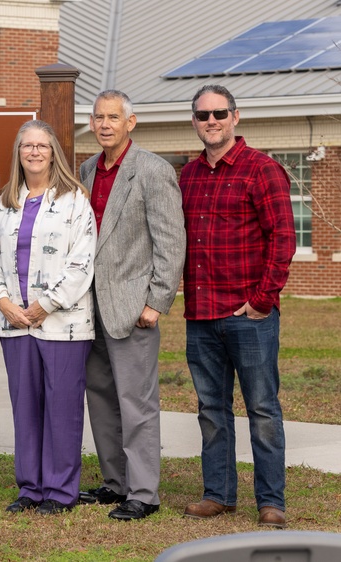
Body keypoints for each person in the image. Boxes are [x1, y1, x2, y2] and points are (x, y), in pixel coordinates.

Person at [179, 84, 295, 529]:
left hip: (249, 317)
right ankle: (218, 495)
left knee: (262, 409)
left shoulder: (261, 169)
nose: (212, 121)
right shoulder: (187, 176)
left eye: (219, 113)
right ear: (194, 121)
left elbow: (283, 239)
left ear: (235, 117)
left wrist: (263, 300)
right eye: (203, 115)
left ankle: (270, 501)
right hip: (201, 316)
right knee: (211, 410)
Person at [77, 90, 186, 521]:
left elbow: (171, 243)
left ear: (131, 122)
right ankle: (114, 483)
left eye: (113, 118)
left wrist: (157, 301)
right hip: (91, 308)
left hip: (134, 307)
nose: (105, 124)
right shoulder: (87, 169)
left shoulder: (152, 170)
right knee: (101, 398)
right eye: (99, 118)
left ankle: (144, 492)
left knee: (137, 402)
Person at [0, 120, 96, 516]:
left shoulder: (74, 200)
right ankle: (30, 488)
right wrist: (2, 301)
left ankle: (60, 493)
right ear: (19, 153)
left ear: (53, 153)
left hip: (62, 324)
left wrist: (44, 305)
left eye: (41, 146)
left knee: (62, 409)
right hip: (15, 324)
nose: (34, 152)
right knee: (26, 409)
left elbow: (83, 263)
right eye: (27, 146)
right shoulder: (5, 201)